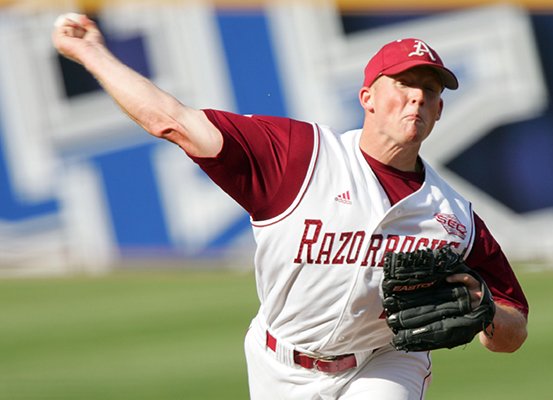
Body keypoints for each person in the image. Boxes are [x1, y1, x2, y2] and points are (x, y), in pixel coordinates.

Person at [52, 14, 528, 400]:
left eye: (431, 88)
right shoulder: (299, 157)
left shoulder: (454, 216)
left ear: (439, 111)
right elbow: (171, 121)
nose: (418, 95)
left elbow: (514, 327)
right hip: (279, 365)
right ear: (367, 97)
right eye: (404, 81)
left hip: (384, 363)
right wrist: (90, 51)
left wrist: (487, 313)